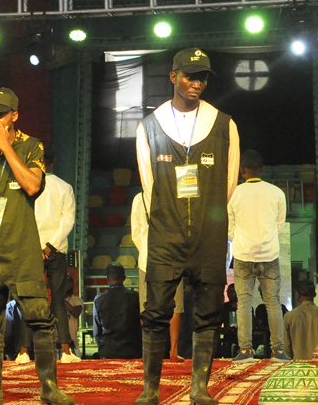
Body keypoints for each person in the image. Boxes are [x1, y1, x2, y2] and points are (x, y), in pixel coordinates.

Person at [0, 87, 74, 405]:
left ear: (14, 115)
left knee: (38, 315)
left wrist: (6, 147)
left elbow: (33, 185)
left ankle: (49, 387)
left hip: (21, 248)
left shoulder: (32, 146)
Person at [133, 48, 239, 405]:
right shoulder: (149, 126)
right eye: (190, 76)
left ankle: (199, 387)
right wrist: (168, 219)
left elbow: (229, 183)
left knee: (209, 312)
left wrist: (212, 223)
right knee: (156, 311)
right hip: (166, 234)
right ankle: (150, 388)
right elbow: (148, 186)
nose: (197, 84)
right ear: (173, 77)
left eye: (203, 78)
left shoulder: (224, 124)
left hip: (208, 235)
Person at [228, 149, 289, 364]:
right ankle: (278, 351)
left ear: (242, 171)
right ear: (262, 170)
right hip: (269, 255)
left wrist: (242, 242)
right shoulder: (276, 193)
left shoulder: (234, 194)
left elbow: (230, 228)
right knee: (273, 302)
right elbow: (279, 227)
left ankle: (245, 351)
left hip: (243, 254)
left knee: (244, 303)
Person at [33, 142, 81, 363]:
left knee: (30, 299)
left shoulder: (29, 186)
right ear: (53, 161)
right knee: (58, 301)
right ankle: (66, 351)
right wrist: (50, 246)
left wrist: (38, 247)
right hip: (56, 249)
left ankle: (24, 352)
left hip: (32, 249)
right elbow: (68, 221)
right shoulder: (65, 187)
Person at [130, 192, 186, 360]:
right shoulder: (176, 195)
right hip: (173, 257)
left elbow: (136, 233)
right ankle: (173, 351)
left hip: (147, 258)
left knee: (146, 305)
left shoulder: (140, 198)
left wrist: (146, 251)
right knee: (175, 305)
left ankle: (149, 350)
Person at [93, 263, 142, 359]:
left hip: (108, 350)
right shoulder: (136, 297)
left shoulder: (99, 299)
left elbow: (97, 331)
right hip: (131, 350)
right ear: (124, 278)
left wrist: (102, 347)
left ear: (107, 278)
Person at [282, 280, 318, 360]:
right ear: (314, 294)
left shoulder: (289, 317)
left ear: (298, 295)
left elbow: (286, 347)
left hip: (298, 365)